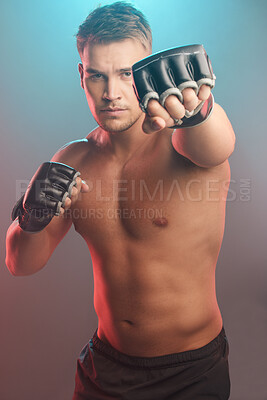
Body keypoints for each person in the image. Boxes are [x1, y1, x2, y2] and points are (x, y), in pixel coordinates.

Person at [5, 2, 236, 399]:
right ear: (82, 76)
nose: (111, 94)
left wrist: (199, 108)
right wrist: (30, 218)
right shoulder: (72, 160)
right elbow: (20, 265)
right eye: (97, 76)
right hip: (106, 368)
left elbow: (216, 145)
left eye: (126, 74)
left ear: (147, 73)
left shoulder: (183, 143)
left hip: (191, 373)